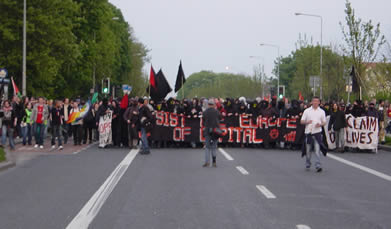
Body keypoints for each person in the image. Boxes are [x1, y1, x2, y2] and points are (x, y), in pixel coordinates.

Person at [300, 96, 327, 173]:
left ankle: (318, 165)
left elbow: (324, 122)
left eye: (317, 101)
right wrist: (307, 122)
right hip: (309, 132)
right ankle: (308, 162)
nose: (315, 103)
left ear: (319, 102)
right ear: (311, 102)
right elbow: (301, 121)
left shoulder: (321, 111)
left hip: (317, 132)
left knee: (317, 150)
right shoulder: (307, 111)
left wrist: (320, 124)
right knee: (308, 150)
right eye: (314, 101)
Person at [202, 98, 221, 168]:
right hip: (215, 130)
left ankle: (207, 162)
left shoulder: (205, 112)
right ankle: (214, 162)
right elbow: (220, 118)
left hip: (207, 130)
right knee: (214, 146)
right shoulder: (216, 111)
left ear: (208, 104)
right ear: (214, 105)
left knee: (207, 147)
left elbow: (203, 119)